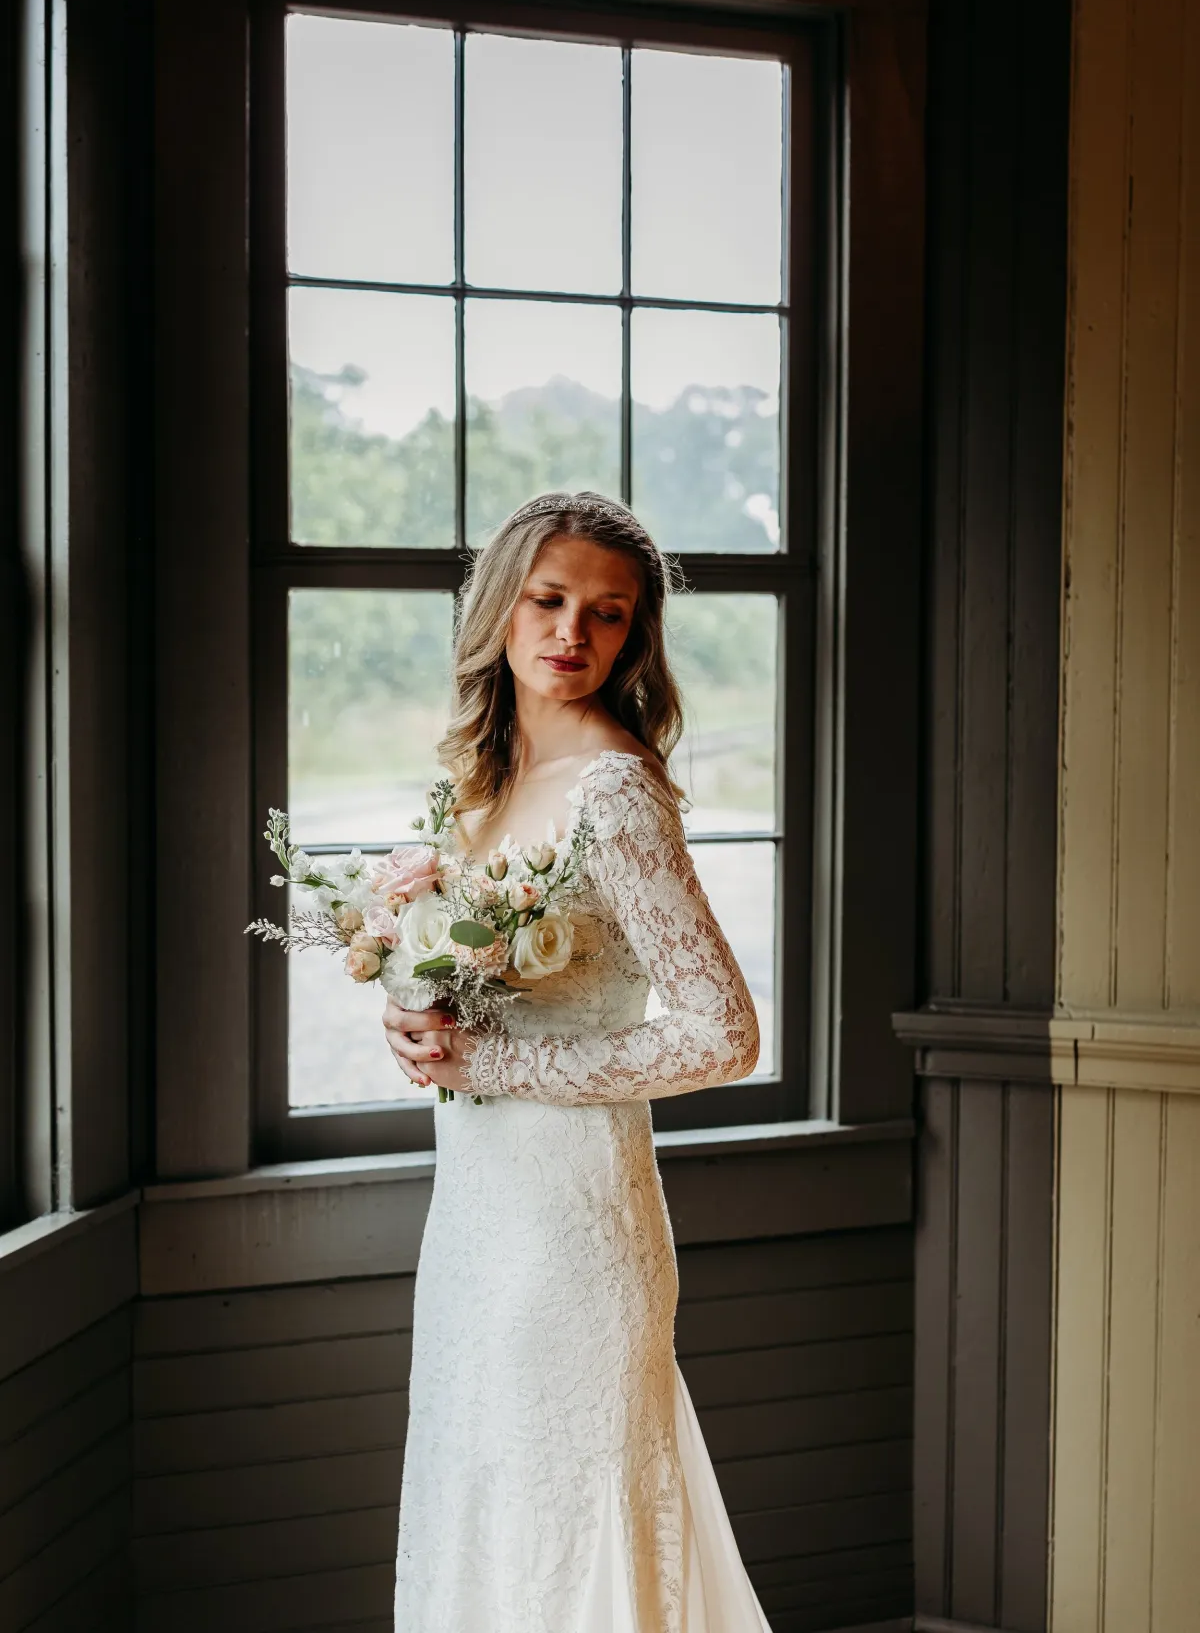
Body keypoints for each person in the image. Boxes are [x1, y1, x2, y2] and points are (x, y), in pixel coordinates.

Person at [381, 490, 771, 1632]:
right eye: (549, 600)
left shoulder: (616, 794)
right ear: (500, 607)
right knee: (484, 1510)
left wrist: (494, 1065)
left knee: (568, 1530)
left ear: (634, 634)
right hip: (474, 1221)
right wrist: (409, 1013)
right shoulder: (478, 783)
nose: (572, 633)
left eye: (608, 613)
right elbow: (460, 984)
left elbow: (723, 1033)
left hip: (575, 1236)